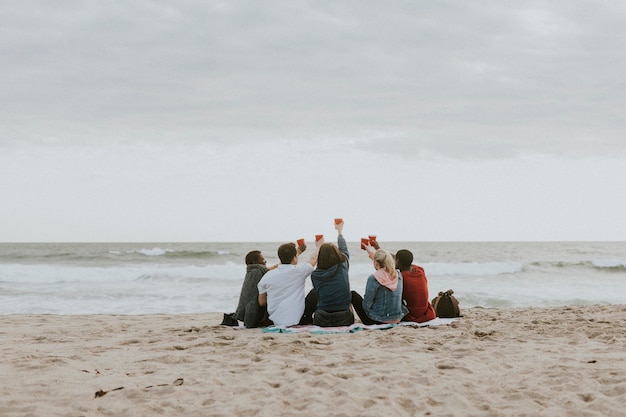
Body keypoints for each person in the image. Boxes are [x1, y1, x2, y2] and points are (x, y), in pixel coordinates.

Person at [258, 239, 321, 327]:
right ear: (295, 257)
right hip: (298, 320)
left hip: (276, 321)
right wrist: (319, 246)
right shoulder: (300, 271)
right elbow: (314, 259)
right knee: (315, 292)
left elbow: (261, 302)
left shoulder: (267, 276)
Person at [310, 220, 354, 327]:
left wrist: (318, 247)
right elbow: (344, 249)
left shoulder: (315, 275)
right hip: (344, 318)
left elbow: (318, 294)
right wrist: (339, 232)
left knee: (314, 293)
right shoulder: (343, 265)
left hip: (321, 319)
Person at [351, 245, 408, 325]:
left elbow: (366, 305)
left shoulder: (374, 278)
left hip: (378, 320)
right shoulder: (398, 275)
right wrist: (370, 252)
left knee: (352, 294)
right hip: (397, 318)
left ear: (376, 263)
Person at [228, 250, 277, 328]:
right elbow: (276, 269)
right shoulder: (256, 272)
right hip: (254, 315)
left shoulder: (254, 271)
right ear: (255, 261)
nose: (265, 261)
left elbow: (274, 268)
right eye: (262, 259)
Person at [395, 249, 436, 323]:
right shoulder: (420, 270)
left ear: (397, 261)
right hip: (425, 311)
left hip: (412, 314)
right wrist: (378, 248)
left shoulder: (401, 277)